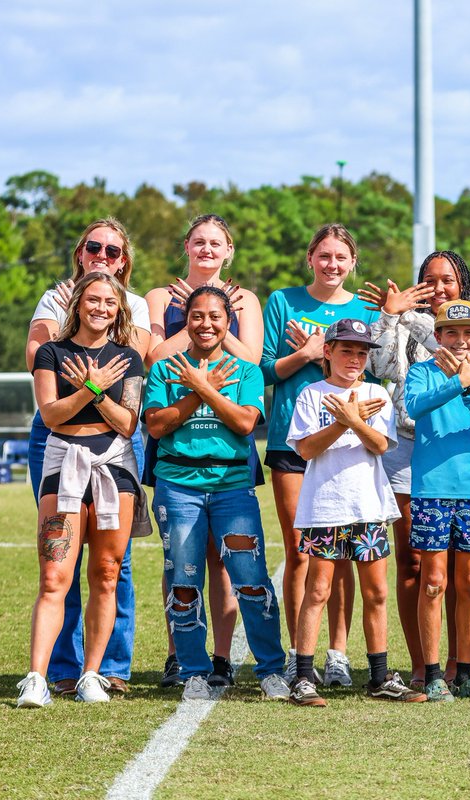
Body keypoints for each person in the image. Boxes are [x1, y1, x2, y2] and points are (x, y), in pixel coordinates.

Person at [22, 218, 149, 698]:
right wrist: (91, 389)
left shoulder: (130, 348)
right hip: (64, 457)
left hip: (114, 459)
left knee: (110, 569)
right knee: (56, 571)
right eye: (94, 247)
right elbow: (52, 414)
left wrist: (91, 388)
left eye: (108, 301)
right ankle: (42, 675)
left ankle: (98, 671)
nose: (100, 306)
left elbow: (127, 421)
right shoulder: (53, 349)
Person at [143, 286, 290, 701]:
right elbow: (157, 425)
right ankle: (193, 671)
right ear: (186, 320)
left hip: (232, 488)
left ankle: (270, 671)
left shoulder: (246, 370)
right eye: (197, 316)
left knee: (251, 580)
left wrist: (204, 389)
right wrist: (196, 389)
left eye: (215, 317)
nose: (205, 324)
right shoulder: (164, 369)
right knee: (184, 581)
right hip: (178, 488)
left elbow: (245, 423)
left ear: (228, 323)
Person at [360, 250, 470, 688]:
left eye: (448, 279)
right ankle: (424, 667)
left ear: (463, 283)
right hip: (411, 455)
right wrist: (389, 317)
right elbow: (379, 368)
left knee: (465, 575)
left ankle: (459, 669)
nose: (438, 288)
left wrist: (467, 385)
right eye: (429, 280)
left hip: (467, 467)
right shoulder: (409, 333)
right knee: (417, 565)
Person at [145, 214, 265, 690]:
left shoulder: (246, 299)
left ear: (229, 250)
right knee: (180, 557)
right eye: (199, 242)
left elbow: (250, 361)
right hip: (179, 437)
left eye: (216, 243)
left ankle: (221, 655)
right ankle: (179, 654)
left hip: (227, 443)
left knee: (224, 559)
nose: (207, 250)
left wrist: (220, 317)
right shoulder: (160, 298)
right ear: (187, 248)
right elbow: (156, 356)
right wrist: (196, 316)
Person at [285, 319, 425, 706]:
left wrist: (355, 419)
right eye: (346, 350)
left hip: (368, 505)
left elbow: (381, 445)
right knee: (318, 590)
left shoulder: (375, 392)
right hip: (326, 506)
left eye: (362, 352)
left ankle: (379, 676)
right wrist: (344, 419)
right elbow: (307, 450)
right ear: (327, 352)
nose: (355, 359)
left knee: (376, 592)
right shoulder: (312, 395)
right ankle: (302, 676)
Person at [261, 223, 375, 688]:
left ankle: (338, 653)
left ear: (352, 263)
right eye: (324, 255)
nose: (332, 264)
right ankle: (298, 652)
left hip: (346, 444)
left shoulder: (361, 308)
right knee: (300, 552)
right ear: (311, 258)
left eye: (341, 257)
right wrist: (309, 353)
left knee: (344, 553)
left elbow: (368, 370)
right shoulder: (282, 302)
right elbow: (267, 368)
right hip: (295, 439)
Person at [403, 300, 470, 701]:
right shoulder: (421, 372)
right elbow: (414, 407)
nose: (461, 341)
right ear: (438, 337)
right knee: (433, 583)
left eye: (469, 334)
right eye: (452, 333)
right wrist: (455, 383)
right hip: (431, 489)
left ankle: (464, 673)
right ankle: (432, 674)